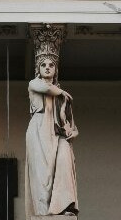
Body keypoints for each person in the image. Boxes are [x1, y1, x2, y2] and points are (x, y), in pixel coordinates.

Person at [25, 55, 78, 217]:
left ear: (55, 71)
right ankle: (43, 213)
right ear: (39, 70)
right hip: (38, 130)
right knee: (41, 174)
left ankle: (62, 206)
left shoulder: (63, 99)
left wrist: (73, 132)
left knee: (64, 161)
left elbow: (72, 125)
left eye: (51, 66)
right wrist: (62, 92)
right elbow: (47, 89)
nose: (47, 67)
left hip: (56, 134)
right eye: (44, 65)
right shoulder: (34, 84)